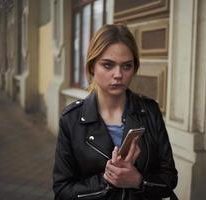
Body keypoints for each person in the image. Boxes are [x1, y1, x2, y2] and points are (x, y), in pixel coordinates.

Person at [53, 24, 178, 200]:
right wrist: (107, 180)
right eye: (108, 65)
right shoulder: (71, 119)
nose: (118, 74)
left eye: (126, 66)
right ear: (91, 67)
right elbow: (62, 189)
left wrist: (138, 181)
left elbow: (169, 177)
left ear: (134, 68)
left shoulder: (149, 111)